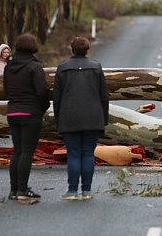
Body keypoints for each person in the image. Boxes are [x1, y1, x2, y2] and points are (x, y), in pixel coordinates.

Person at [54, 37, 108, 200]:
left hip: (70, 117)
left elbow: (57, 98)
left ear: (72, 49)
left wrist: (59, 120)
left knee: (73, 154)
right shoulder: (96, 67)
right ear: (87, 49)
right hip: (93, 117)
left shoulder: (62, 68)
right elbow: (103, 96)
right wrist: (103, 119)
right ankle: (86, 190)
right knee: (88, 154)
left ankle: (72, 191)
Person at [3, 33, 49, 201]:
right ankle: (23, 189)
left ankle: (13, 190)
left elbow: (6, 89)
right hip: (30, 112)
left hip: (13, 111)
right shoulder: (34, 66)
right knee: (27, 152)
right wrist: (43, 107)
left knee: (17, 150)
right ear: (33, 47)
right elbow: (42, 91)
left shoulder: (9, 65)